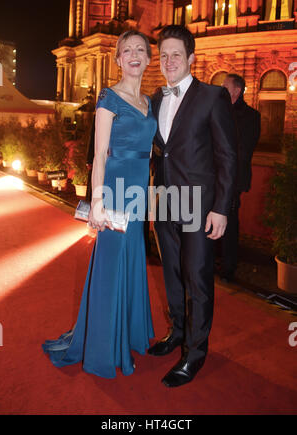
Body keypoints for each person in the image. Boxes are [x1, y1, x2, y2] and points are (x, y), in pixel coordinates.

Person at [42, 30, 157, 379]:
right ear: (119, 59)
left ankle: (129, 333)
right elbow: (100, 156)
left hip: (138, 193)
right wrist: (96, 201)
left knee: (133, 260)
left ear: (148, 58)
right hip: (116, 191)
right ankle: (104, 347)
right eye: (127, 50)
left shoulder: (149, 102)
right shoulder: (109, 98)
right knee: (111, 264)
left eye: (141, 49)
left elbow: (150, 154)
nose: (134, 55)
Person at [148, 25, 237, 388]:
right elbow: (160, 152)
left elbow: (228, 156)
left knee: (197, 279)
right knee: (171, 272)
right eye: (164, 55)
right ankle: (177, 333)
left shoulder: (213, 96)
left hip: (199, 206)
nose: (169, 61)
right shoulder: (155, 97)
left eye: (176, 55)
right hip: (165, 200)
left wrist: (222, 208)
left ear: (191, 59)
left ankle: (195, 353)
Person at [218, 73, 261, 282]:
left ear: (236, 91)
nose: (221, 89)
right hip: (214, 176)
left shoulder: (252, 116)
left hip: (234, 179)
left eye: (225, 86)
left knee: (230, 220)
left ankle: (229, 266)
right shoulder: (219, 111)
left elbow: (243, 151)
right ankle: (215, 259)